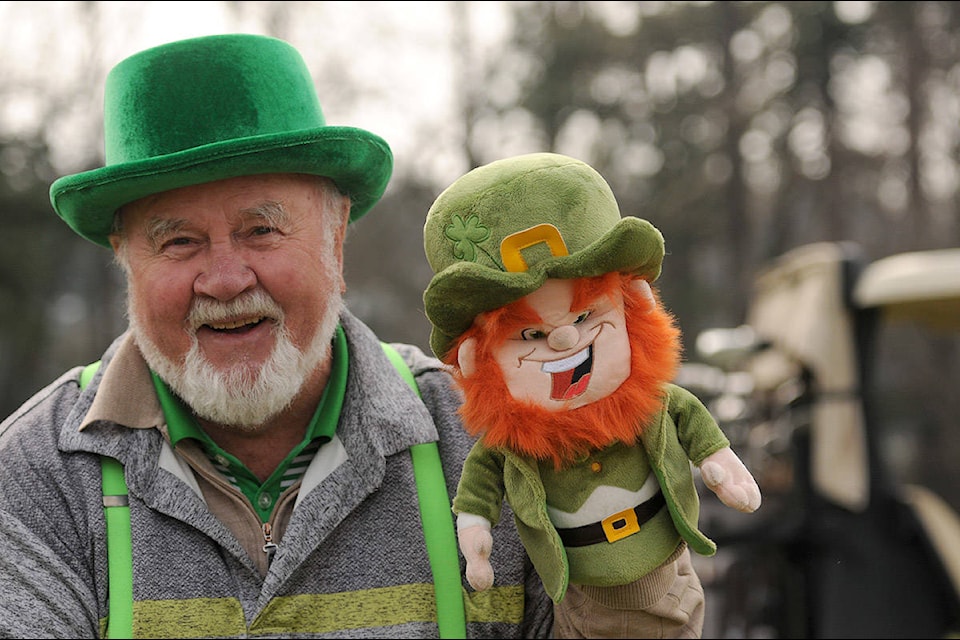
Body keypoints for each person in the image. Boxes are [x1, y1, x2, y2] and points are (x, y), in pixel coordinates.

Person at [0, 33, 553, 638]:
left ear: (335, 239)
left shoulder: (489, 437)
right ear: (127, 259)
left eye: (261, 229)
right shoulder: (33, 477)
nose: (226, 280)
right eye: (179, 241)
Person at [421, 153, 761, 638]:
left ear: (634, 309)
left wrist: (720, 465)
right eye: (531, 335)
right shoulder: (509, 449)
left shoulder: (652, 406)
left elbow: (694, 425)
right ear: (479, 361)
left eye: (584, 319)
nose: (562, 341)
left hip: (670, 583)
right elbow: (478, 494)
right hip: (581, 604)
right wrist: (475, 538)